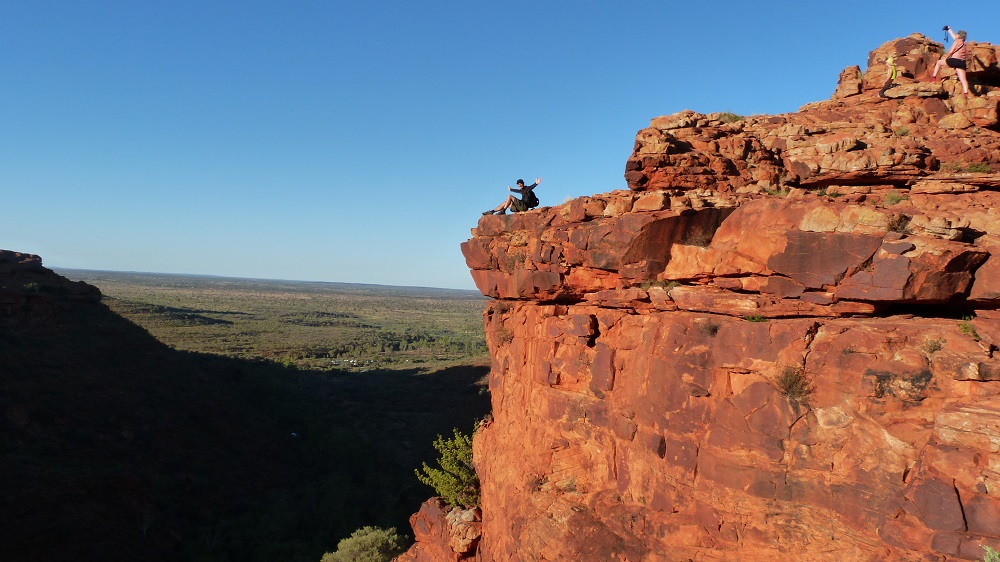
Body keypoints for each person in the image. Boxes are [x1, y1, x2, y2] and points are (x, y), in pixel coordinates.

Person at [931, 26, 970, 95]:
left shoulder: (957, 41)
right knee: (963, 79)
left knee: (939, 62)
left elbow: (951, 51)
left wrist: (947, 57)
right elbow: (954, 36)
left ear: (958, 35)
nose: (956, 35)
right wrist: (949, 29)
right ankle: (966, 93)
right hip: (962, 62)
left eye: (957, 34)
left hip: (954, 60)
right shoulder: (964, 43)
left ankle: (933, 77)